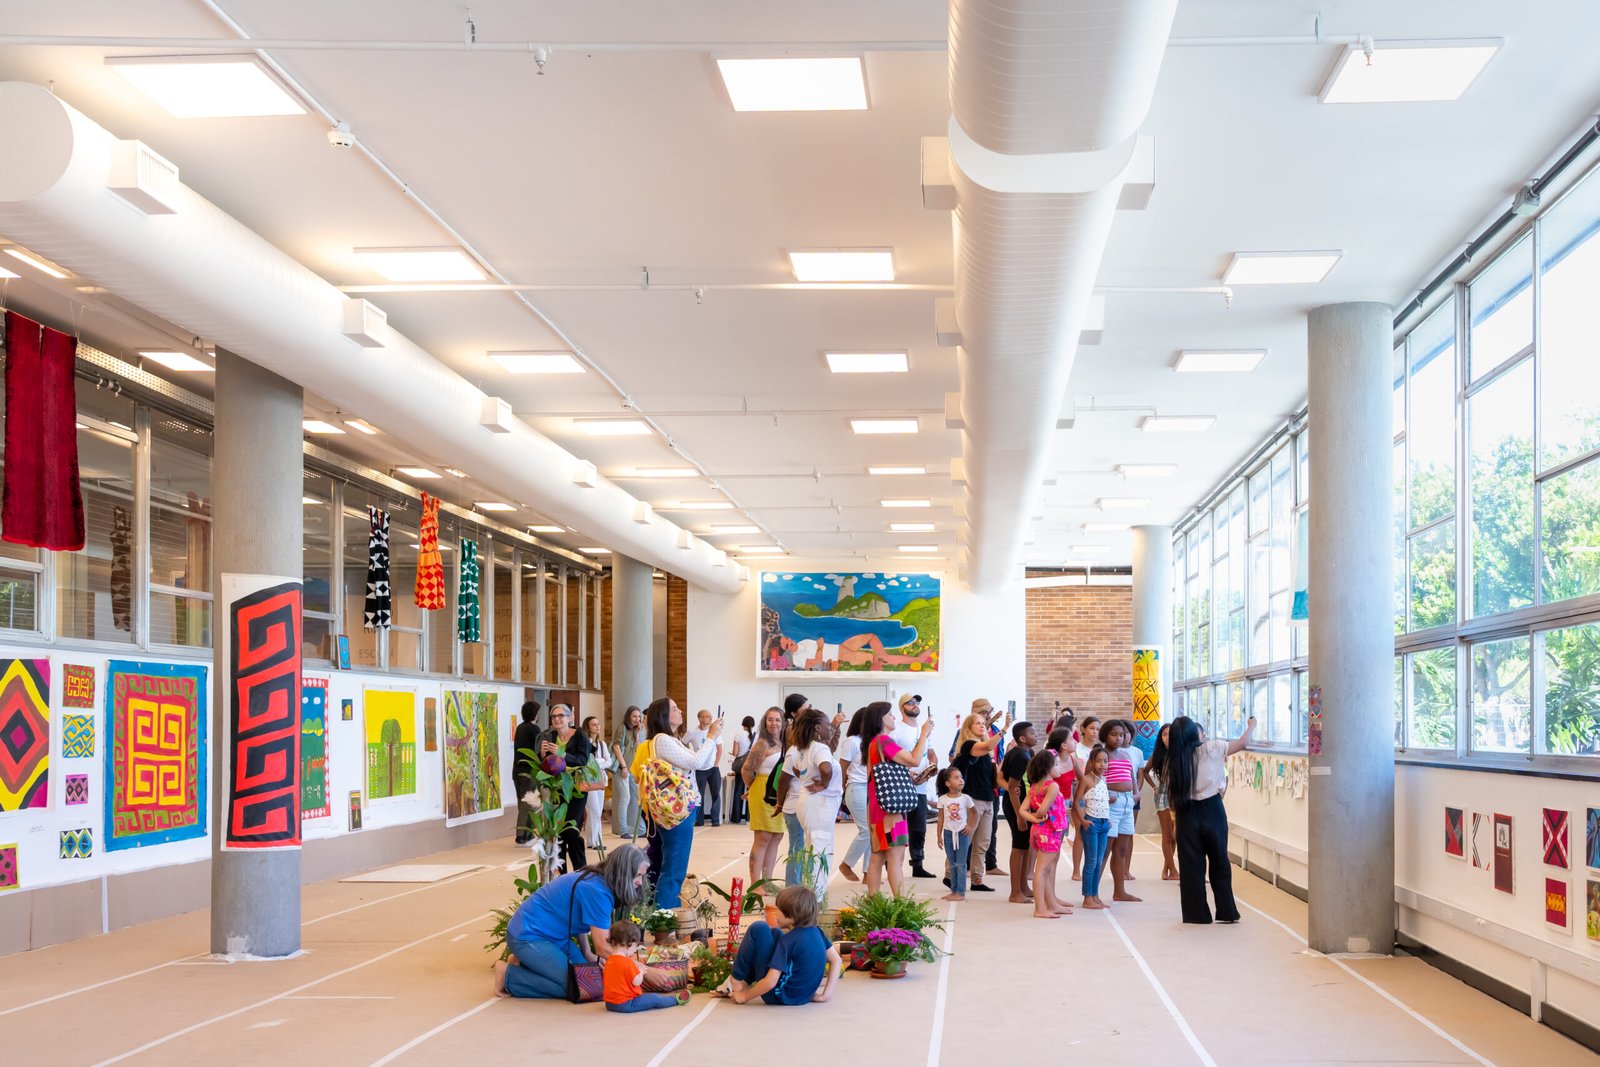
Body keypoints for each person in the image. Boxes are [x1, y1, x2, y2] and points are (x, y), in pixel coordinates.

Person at [494, 844, 649, 999]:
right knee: (581, 988)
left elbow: (580, 917)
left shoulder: (598, 879)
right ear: (623, 872)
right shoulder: (598, 892)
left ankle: (526, 963)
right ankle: (508, 976)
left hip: (555, 937)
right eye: (637, 875)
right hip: (528, 935)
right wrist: (638, 970)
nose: (640, 882)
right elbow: (603, 947)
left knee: (593, 980)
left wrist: (587, 952)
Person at [1168, 714, 1254, 924]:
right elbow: (1242, 743)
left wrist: (1175, 822)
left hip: (1185, 812)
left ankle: (1196, 914)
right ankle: (1226, 911)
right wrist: (1252, 725)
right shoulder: (1212, 748)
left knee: (1191, 865)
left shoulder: (1175, 759)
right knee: (1219, 860)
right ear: (1194, 733)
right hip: (1212, 809)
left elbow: (1172, 794)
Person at [642, 696, 722, 908]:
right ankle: (664, 917)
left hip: (683, 807)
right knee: (674, 870)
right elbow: (695, 761)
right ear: (664, 715)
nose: (680, 712)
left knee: (672, 866)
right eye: (675, 708)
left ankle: (665, 913)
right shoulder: (663, 739)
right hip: (677, 810)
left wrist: (711, 740)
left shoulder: (672, 739)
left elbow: (701, 763)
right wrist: (711, 737)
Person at [715, 885, 843, 1005]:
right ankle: (744, 982)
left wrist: (745, 996)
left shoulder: (788, 941)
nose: (775, 913)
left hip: (778, 995)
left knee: (759, 928)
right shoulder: (817, 931)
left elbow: (770, 982)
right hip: (802, 996)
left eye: (779, 910)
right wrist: (825, 996)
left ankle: (736, 980)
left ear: (791, 916)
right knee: (775, 933)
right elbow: (836, 960)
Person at [863, 700, 933, 895]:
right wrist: (924, 734)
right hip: (891, 809)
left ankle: (875, 902)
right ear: (880, 718)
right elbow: (914, 760)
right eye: (890, 714)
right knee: (896, 857)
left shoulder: (873, 743)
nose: (894, 717)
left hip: (877, 806)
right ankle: (900, 904)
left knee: (878, 857)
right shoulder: (884, 741)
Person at [952, 702, 1006, 892]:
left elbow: (995, 775)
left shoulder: (987, 753)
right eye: (978, 723)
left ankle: (977, 879)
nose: (982, 725)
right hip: (973, 799)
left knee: (983, 842)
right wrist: (1005, 729)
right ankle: (951, 875)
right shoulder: (969, 745)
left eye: (983, 723)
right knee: (965, 840)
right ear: (969, 728)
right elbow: (989, 744)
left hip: (988, 798)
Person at [788, 708, 842, 897]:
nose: (830, 728)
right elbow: (826, 769)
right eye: (827, 725)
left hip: (809, 802)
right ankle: (816, 897)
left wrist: (807, 780)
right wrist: (823, 784)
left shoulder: (802, 747)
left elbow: (796, 770)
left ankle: (813, 894)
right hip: (820, 804)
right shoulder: (820, 748)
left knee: (814, 847)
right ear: (818, 727)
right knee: (820, 851)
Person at [891, 694, 939, 879]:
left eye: (917, 702)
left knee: (919, 829)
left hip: (921, 787)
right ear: (901, 707)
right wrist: (908, 773)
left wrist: (932, 767)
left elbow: (931, 754)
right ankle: (892, 865)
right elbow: (891, 757)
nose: (915, 705)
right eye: (910, 703)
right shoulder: (896, 730)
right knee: (899, 826)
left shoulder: (923, 729)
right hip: (901, 787)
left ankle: (917, 865)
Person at [544, 704, 597, 873]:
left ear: (569, 718)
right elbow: (544, 765)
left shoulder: (580, 736)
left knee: (572, 830)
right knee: (558, 833)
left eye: (561, 716)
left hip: (576, 788)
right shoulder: (549, 736)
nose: (557, 719)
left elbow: (582, 760)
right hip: (556, 788)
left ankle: (581, 871)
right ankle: (562, 876)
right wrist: (542, 755)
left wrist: (562, 753)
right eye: (554, 716)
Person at [1020, 750, 1072, 919]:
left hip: (1039, 831)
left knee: (1046, 869)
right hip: (1049, 832)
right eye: (1056, 764)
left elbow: (1022, 810)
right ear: (1047, 768)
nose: (1059, 767)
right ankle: (1040, 908)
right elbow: (1043, 810)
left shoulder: (1035, 787)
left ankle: (1052, 904)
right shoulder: (1052, 786)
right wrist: (1040, 815)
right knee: (1042, 870)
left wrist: (1034, 820)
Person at [601, 921, 690, 1013]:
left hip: (610, 1003)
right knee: (653, 998)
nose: (634, 950)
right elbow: (636, 982)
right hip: (626, 1003)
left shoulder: (609, 961)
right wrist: (641, 973)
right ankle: (676, 1000)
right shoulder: (628, 962)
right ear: (631, 944)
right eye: (635, 946)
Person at [742, 706, 786, 891]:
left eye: (777, 719)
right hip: (762, 791)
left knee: (776, 837)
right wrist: (753, 788)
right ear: (764, 722)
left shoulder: (784, 743)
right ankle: (755, 884)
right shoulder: (762, 743)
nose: (773, 723)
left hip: (779, 792)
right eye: (770, 719)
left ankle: (767, 881)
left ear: (783, 722)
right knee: (763, 838)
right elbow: (746, 769)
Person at [1098, 720, 1142, 903]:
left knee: (1121, 850)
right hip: (1111, 804)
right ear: (1105, 735)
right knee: (1104, 850)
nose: (1118, 738)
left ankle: (1119, 891)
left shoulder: (1124, 754)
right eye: (1114, 734)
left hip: (1127, 803)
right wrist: (1104, 794)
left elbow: (1132, 777)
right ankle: (1092, 892)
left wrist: (1136, 794)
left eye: (1121, 735)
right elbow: (1092, 778)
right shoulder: (1101, 754)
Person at [997, 720, 1037, 903]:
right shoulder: (1020, 756)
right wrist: (1020, 815)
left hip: (1023, 805)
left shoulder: (1024, 753)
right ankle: (1015, 893)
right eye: (1032, 733)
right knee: (1019, 847)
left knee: (1026, 846)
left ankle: (1023, 887)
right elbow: (1013, 787)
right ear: (1022, 738)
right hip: (1017, 805)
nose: (1035, 735)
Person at [774, 693, 810, 885]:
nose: (810, 710)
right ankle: (793, 887)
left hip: (803, 799)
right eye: (806, 707)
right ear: (795, 713)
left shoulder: (810, 747)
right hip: (795, 799)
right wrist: (779, 803)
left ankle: (801, 885)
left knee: (804, 846)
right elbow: (785, 778)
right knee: (798, 846)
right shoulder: (793, 741)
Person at [1074, 745, 1111, 911]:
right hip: (1091, 823)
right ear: (1092, 762)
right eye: (1098, 761)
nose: (1102, 764)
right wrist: (1083, 821)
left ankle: (1095, 895)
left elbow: (1103, 802)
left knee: (1099, 861)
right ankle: (1087, 897)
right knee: (1091, 861)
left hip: (1104, 824)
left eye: (1105, 761)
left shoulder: (1104, 780)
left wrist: (1108, 819)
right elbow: (1077, 801)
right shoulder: (1086, 779)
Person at [836, 708, 869, 881]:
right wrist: (840, 790)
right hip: (856, 788)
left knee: (872, 832)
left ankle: (868, 873)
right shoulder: (852, 741)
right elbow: (842, 767)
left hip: (870, 789)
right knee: (867, 831)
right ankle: (846, 864)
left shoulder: (870, 741)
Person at [1143, 723, 1179, 881]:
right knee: (1167, 835)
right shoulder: (1157, 755)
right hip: (1163, 796)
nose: (1167, 738)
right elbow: (1145, 772)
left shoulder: (1180, 753)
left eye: (1170, 734)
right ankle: (1173, 871)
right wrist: (1154, 787)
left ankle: (1166, 869)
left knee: (1175, 835)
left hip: (1178, 796)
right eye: (1164, 734)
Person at [935, 767, 974, 902]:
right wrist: (939, 836)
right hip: (948, 834)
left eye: (961, 777)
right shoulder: (942, 799)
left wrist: (970, 826)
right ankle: (954, 891)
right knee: (952, 863)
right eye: (956, 778)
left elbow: (975, 813)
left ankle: (961, 892)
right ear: (948, 783)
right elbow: (940, 818)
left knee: (961, 864)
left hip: (962, 834)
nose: (961, 780)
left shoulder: (966, 798)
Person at [1069, 715, 1101, 881]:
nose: (1095, 732)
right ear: (1083, 729)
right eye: (1092, 728)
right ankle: (1076, 870)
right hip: (1080, 789)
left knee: (1096, 832)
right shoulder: (1076, 749)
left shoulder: (1101, 749)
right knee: (1081, 831)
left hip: (1097, 792)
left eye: (1097, 729)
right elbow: (1072, 773)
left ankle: (1092, 868)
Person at [685, 709, 724, 827]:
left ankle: (715, 821)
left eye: (710, 716)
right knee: (698, 795)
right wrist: (690, 756)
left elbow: (719, 748)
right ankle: (699, 820)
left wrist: (716, 764)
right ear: (700, 718)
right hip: (699, 769)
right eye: (707, 716)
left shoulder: (714, 731)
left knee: (716, 795)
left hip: (713, 768)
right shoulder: (692, 732)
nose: (710, 718)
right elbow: (683, 743)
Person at [611, 706, 646, 839]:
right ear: (628, 717)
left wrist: (638, 735)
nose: (637, 719)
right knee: (625, 798)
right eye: (634, 716)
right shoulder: (622, 728)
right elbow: (616, 747)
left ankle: (640, 829)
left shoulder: (636, 730)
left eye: (639, 717)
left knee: (636, 798)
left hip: (632, 769)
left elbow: (636, 750)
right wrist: (624, 766)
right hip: (621, 769)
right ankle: (623, 830)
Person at [512, 701, 542, 845]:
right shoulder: (534, 729)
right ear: (535, 714)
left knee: (522, 801)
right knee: (528, 803)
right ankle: (522, 835)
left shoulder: (520, 727)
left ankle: (527, 834)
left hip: (517, 771)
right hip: (529, 771)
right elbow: (539, 750)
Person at [582, 716, 613, 850]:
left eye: (598, 724)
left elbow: (609, 761)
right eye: (594, 724)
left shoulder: (601, 744)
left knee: (597, 811)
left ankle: (591, 841)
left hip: (601, 779)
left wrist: (597, 762)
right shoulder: (584, 743)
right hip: (588, 780)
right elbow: (587, 762)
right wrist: (600, 761)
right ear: (588, 727)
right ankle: (596, 842)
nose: (597, 726)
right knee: (594, 810)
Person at [728, 715, 756, 824]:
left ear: (743, 724)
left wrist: (732, 753)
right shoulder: (756, 736)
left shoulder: (738, 735)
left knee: (738, 790)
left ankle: (736, 818)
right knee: (752, 791)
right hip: (752, 766)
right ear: (752, 725)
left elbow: (735, 753)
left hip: (741, 767)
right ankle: (750, 818)